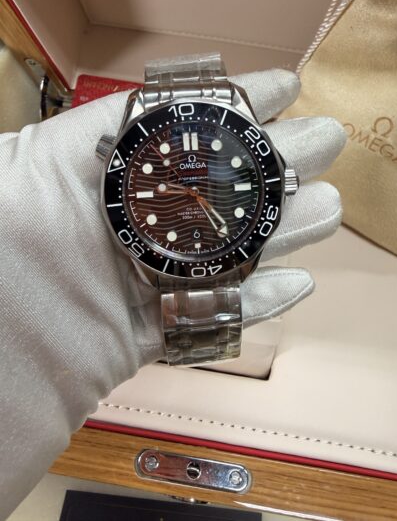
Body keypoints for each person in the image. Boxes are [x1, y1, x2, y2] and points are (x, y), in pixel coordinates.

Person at [0, 67, 345, 519]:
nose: (195, 192)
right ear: (113, 162)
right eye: (187, 188)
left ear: (284, 181)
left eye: (200, 188)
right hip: (155, 255)